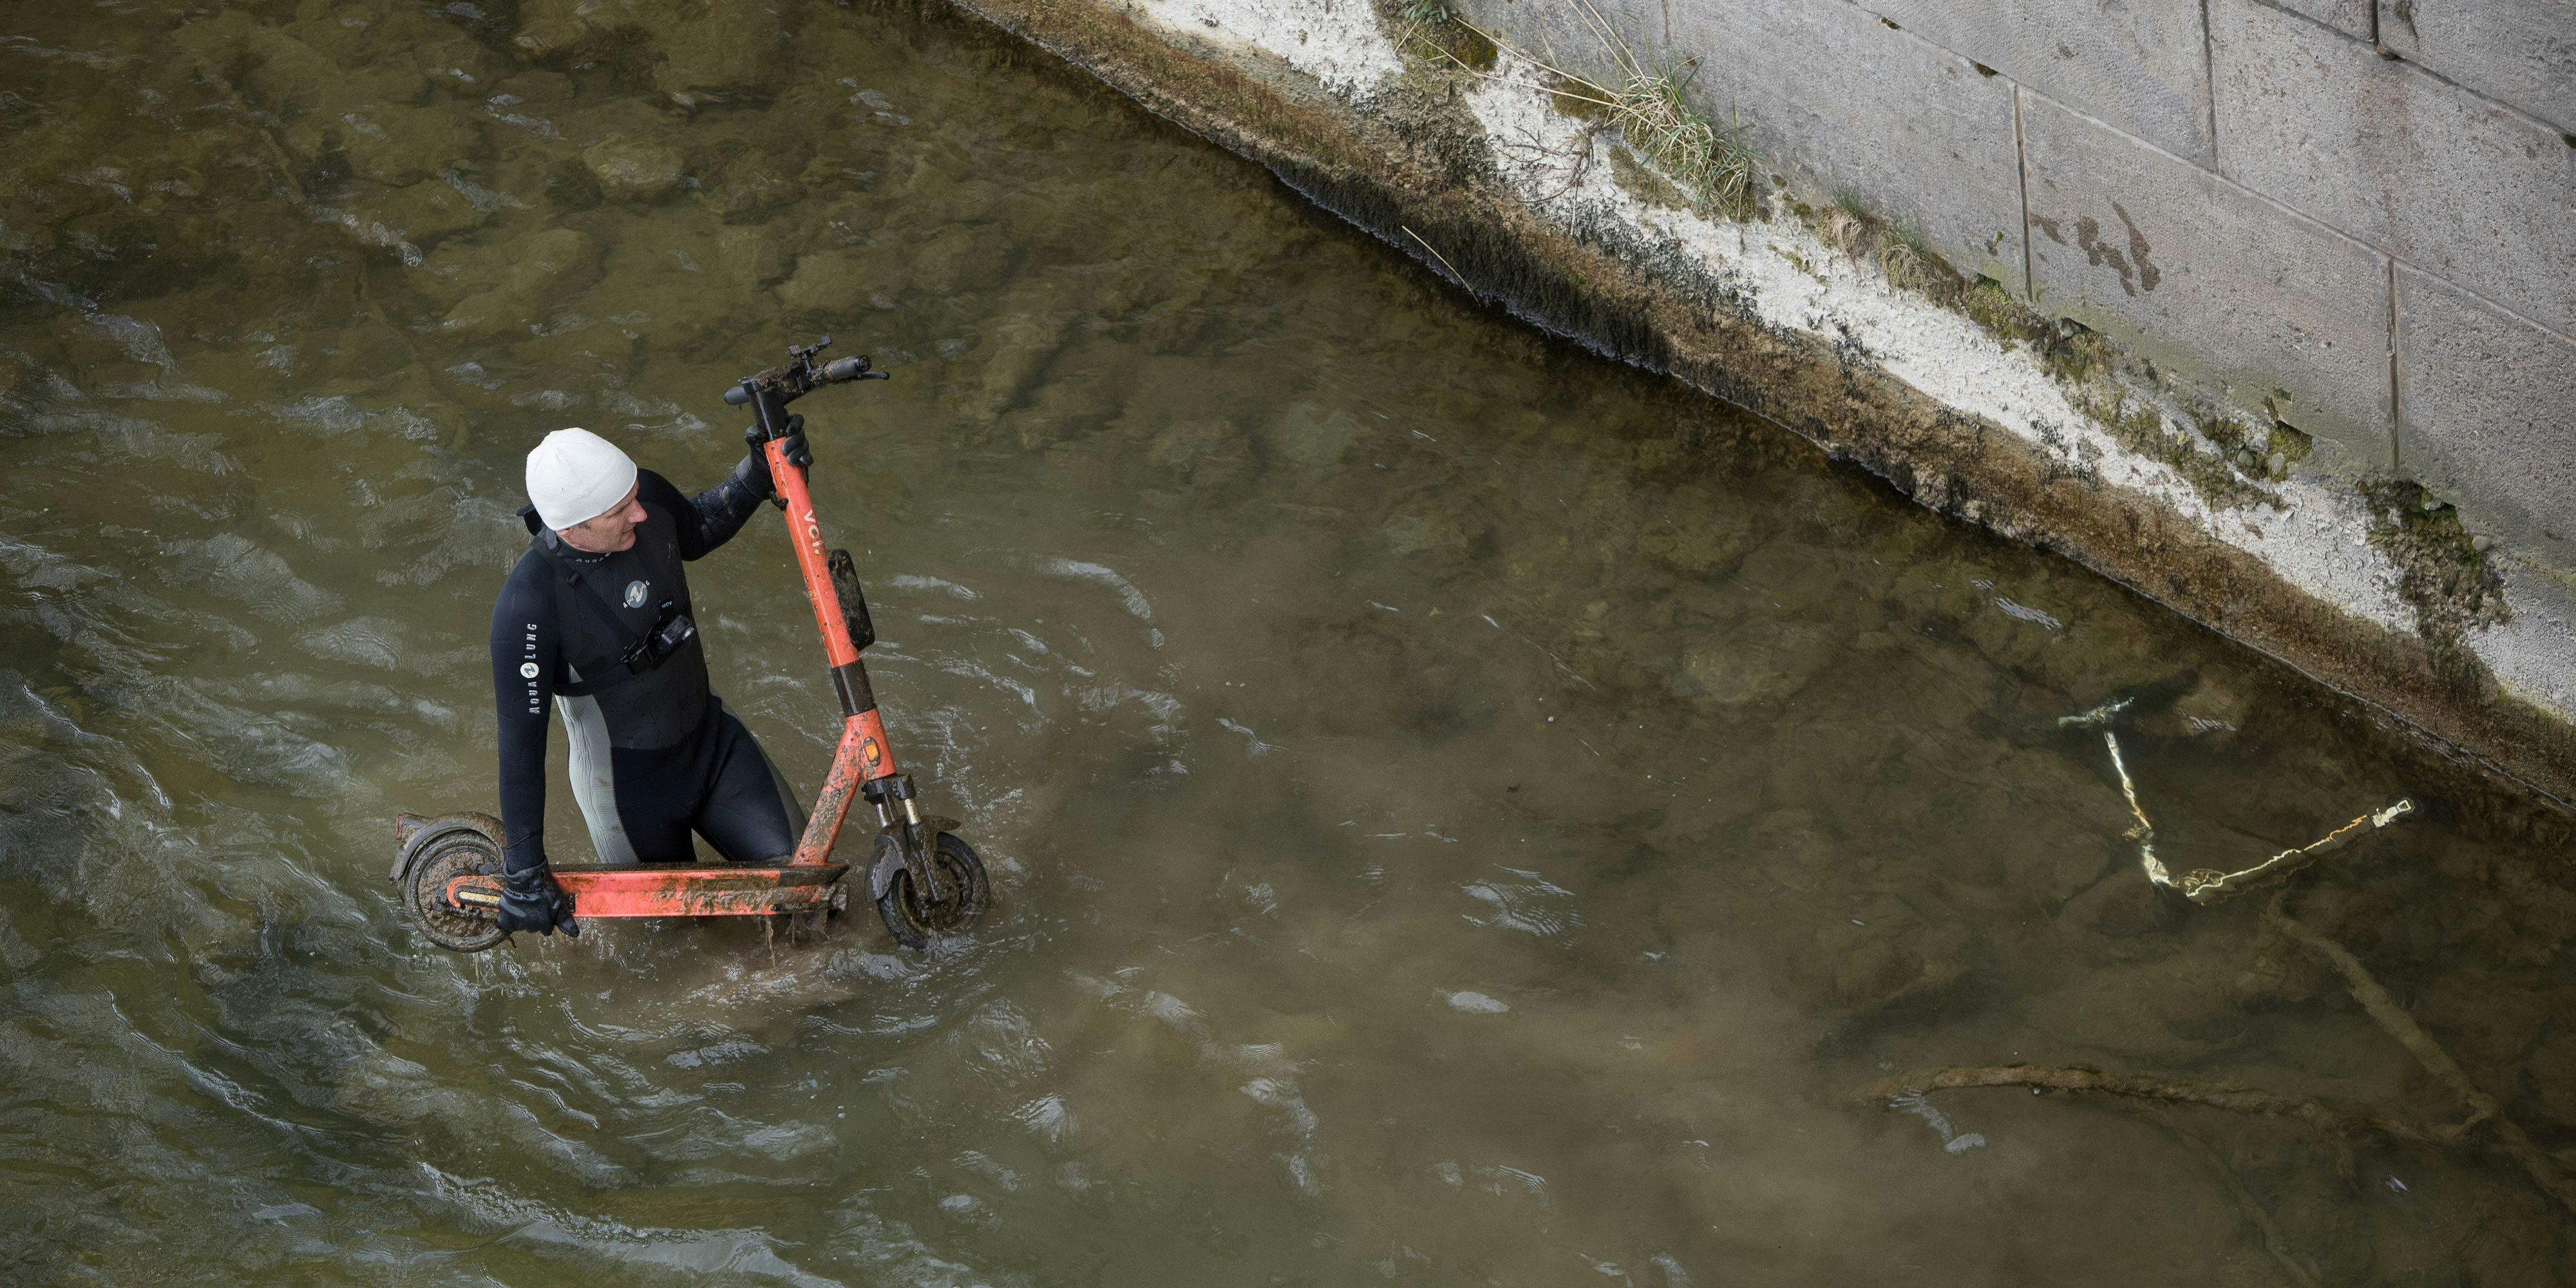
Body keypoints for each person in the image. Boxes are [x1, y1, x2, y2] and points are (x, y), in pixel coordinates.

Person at [485, 421, 815, 936]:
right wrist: (524, 872)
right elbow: (520, 752)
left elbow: (699, 527)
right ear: (571, 528)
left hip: (713, 746)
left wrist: (761, 470)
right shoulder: (528, 607)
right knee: (676, 950)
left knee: (812, 895)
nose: (640, 512)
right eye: (620, 512)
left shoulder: (643, 497)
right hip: (627, 792)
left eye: (634, 496)